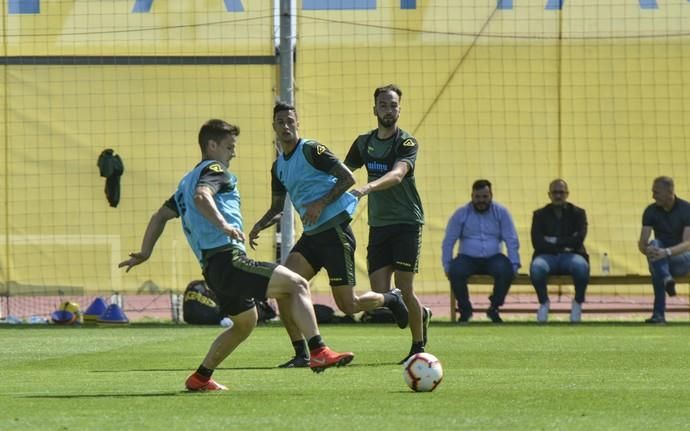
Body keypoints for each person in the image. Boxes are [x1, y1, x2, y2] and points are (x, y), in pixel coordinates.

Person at [119, 119, 354, 391]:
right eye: (229, 146)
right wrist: (223, 224)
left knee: (245, 323)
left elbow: (160, 215)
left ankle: (200, 377)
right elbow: (202, 196)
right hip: (229, 260)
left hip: (212, 269)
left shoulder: (185, 181)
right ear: (212, 145)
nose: (234, 152)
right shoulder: (214, 170)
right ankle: (318, 351)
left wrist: (146, 252)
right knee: (297, 284)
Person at [249, 102, 409, 368]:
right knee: (283, 289)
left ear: (298, 122)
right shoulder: (278, 167)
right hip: (311, 238)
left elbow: (348, 179)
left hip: (335, 233)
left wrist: (320, 203)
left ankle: (391, 298)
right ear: (274, 126)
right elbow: (278, 207)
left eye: (290, 120)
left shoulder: (312, 149)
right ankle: (302, 353)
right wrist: (259, 225)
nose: (286, 126)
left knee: (348, 306)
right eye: (280, 122)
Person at [344, 84, 431, 364]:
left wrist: (367, 187)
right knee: (381, 292)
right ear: (375, 110)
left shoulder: (406, 143)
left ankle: (418, 346)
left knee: (405, 288)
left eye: (393, 105)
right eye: (383, 105)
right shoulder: (363, 143)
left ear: (399, 109)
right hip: (379, 224)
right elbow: (342, 173)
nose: (388, 110)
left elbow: (397, 174)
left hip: (406, 222)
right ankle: (415, 310)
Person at [441, 179, 521, 323]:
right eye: (478, 197)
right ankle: (465, 310)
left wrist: (514, 263)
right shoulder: (461, 214)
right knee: (455, 270)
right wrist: (447, 265)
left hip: (493, 258)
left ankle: (494, 307)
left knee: (506, 269)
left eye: (485, 197)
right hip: (467, 258)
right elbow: (448, 241)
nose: (481, 200)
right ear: (472, 196)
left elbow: (511, 239)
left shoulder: (501, 213)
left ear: (491, 195)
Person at [530, 179, 589, 323]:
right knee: (536, 268)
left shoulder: (579, 213)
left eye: (561, 192)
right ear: (549, 194)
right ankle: (544, 303)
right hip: (547, 257)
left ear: (567, 194)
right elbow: (537, 241)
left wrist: (553, 240)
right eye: (555, 192)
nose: (558, 195)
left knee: (581, 266)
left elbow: (579, 239)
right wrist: (565, 242)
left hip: (572, 256)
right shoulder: (539, 214)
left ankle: (577, 303)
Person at [637, 176, 690, 324]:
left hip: (684, 259)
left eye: (656, 192)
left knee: (657, 264)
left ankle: (658, 315)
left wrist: (665, 252)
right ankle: (667, 279)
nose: (653, 196)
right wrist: (646, 250)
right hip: (661, 258)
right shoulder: (650, 211)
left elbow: (687, 244)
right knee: (654, 246)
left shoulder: (687, 209)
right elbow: (642, 242)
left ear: (669, 191)